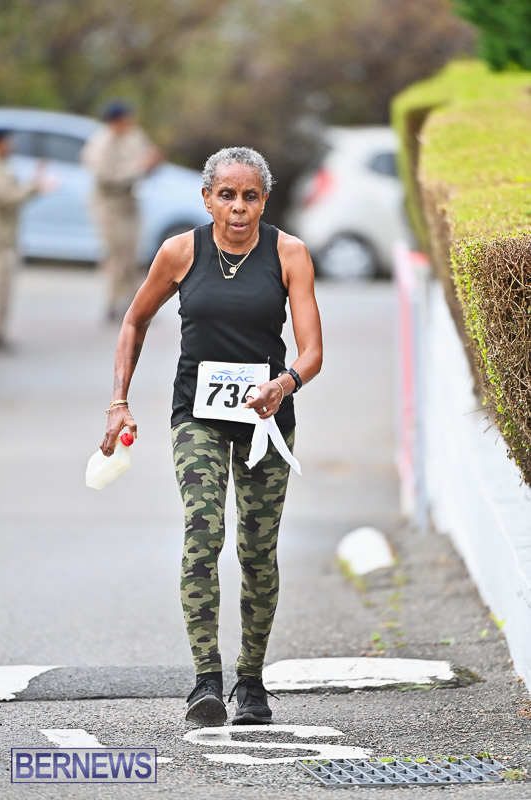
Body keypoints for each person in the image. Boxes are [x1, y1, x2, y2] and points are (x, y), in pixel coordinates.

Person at [101, 146, 323, 727]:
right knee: (204, 532)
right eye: (227, 194)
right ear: (207, 199)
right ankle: (206, 679)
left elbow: (312, 351)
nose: (239, 206)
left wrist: (286, 383)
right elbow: (134, 319)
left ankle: (251, 682)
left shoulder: (289, 253)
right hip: (196, 415)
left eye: (250, 195)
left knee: (257, 550)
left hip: (266, 419)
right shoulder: (180, 252)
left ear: (264, 201)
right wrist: (118, 401)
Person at [81, 101, 164, 321]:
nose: (130, 122)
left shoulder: (134, 136)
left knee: (132, 253)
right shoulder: (100, 143)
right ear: (115, 121)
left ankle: (135, 304)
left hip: (130, 201)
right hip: (109, 204)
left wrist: (153, 163)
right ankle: (113, 303)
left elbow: (148, 156)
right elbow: (104, 176)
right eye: (126, 118)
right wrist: (139, 169)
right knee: (115, 254)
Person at [0, 129, 52, 349]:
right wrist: (34, 187)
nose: (11, 146)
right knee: (1, 288)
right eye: (7, 142)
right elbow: (8, 197)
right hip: (1, 242)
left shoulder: (5, 166)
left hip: (7, 238)